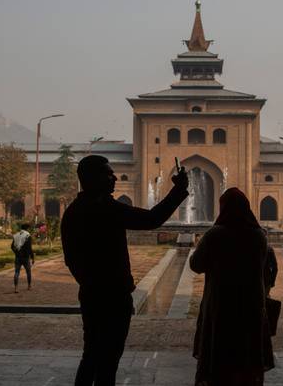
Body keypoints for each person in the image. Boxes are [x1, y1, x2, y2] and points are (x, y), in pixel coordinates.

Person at [61, 155, 189, 386]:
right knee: (108, 359)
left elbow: (71, 259)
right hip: (112, 296)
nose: (114, 178)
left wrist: (88, 282)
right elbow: (152, 219)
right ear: (92, 178)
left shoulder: (74, 211)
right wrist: (179, 190)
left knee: (91, 355)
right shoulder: (105, 209)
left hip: (91, 293)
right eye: (108, 174)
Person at [190, 188, 275, 386]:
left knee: (219, 350)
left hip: (221, 303)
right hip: (251, 303)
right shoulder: (258, 236)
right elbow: (264, 268)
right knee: (247, 351)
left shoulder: (214, 235)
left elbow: (196, 265)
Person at [11, 223, 34, 293]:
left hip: (18, 257)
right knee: (28, 272)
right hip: (26, 257)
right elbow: (30, 248)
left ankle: (16, 288)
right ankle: (29, 286)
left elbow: (12, 246)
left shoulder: (16, 235)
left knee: (16, 272)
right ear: (27, 228)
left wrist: (16, 252)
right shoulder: (28, 235)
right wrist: (33, 257)